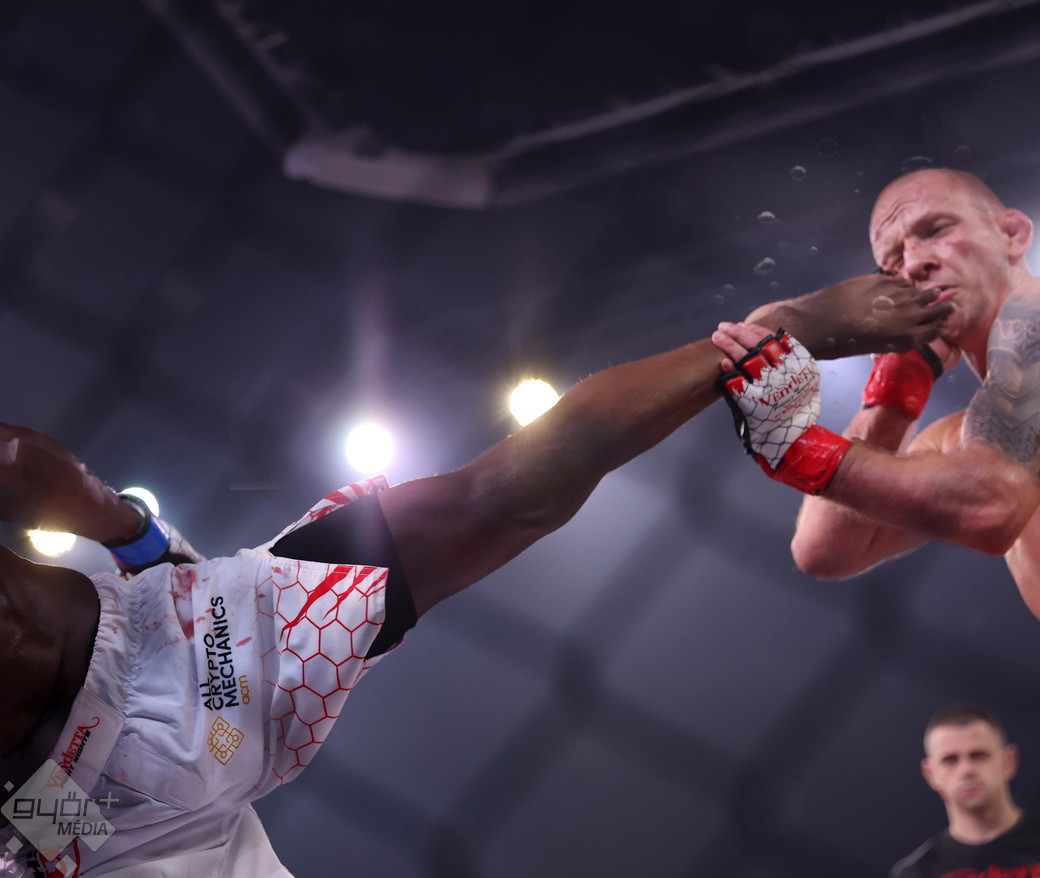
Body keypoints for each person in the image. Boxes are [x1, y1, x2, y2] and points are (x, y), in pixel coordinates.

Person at [0, 278, 949, 877]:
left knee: (496, 498)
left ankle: (758, 338)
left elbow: (26, 466)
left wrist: (134, 539)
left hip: (181, 643)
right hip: (75, 822)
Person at [710, 167, 1040, 874]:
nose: (914, 263)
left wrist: (794, 445)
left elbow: (990, 504)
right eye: (891, 262)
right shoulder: (959, 440)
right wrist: (892, 393)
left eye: (935, 229)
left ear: (1013, 234)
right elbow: (824, 547)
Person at [890, 702, 1040, 878]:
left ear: (1008, 761)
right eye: (950, 760)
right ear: (930, 774)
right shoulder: (915, 873)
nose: (966, 770)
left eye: (978, 755)